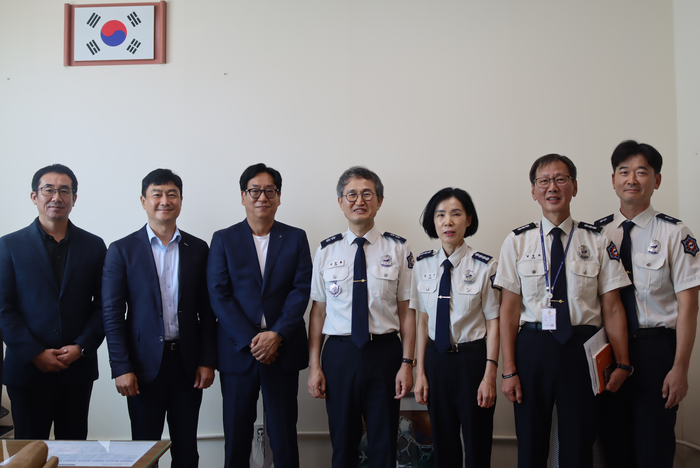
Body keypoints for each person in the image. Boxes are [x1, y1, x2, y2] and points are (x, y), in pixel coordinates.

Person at [494, 154, 632, 468]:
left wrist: (623, 362)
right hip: (533, 347)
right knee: (531, 444)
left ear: (574, 187)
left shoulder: (597, 240)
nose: (552, 187)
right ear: (534, 191)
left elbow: (612, 308)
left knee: (579, 444)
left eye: (561, 179)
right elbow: (509, 311)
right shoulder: (517, 242)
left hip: (582, 350)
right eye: (544, 181)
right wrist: (509, 370)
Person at [595, 140, 700, 468]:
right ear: (613, 180)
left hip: (656, 352)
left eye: (642, 172)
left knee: (654, 447)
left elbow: (689, 306)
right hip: (608, 352)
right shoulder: (595, 235)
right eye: (624, 171)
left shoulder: (675, 233)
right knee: (613, 446)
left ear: (657, 180)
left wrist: (680, 368)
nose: (632, 179)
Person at [102, 169, 217, 468]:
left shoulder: (198, 249)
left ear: (181, 200)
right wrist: (121, 367)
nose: (164, 201)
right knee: (144, 452)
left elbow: (207, 311)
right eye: (157, 194)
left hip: (187, 364)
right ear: (143, 201)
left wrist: (208, 360)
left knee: (187, 450)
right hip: (142, 367)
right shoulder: (121, 250)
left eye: (172, 194)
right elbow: (112, 314)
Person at [307, 166, 416, 468]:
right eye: (351, 194)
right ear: (340, 202)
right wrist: (315, 366)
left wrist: (407, 364)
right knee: (343, 443)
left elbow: (407, 312)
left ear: (379, 201)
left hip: (385, 353)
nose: (359, 201)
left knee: (384, 442)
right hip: (339, 355)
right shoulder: (326, 251)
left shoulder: (398, 248)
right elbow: (317, 313)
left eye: (368, 194)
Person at [207, 163, 312, 468]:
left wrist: (276, 335)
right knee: (236, 436)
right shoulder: (223, 239)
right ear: (243, 196)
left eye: (270, 191)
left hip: (282, 349)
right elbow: (219, 294)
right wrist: (252, 340)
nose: (262, 197)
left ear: (279, 197)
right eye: (255, 191)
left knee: (284, 435)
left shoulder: (295, 237)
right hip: (239, 352)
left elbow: (301, 290)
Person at [0, 164, 106, 440]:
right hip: (27, 370)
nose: (56, 197)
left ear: (74, 198)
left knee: (75, 450)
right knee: (28, 452)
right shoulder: (8, 246)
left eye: (64, 191)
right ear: (34, 196)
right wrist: (35, 353)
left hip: (77, 369)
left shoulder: (94, 246)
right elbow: (3, 309)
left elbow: (104, 305)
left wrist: (81, 347)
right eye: (48, 190)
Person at [410, 187, 500, 468]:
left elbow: (494, 323)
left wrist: (489, 375)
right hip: (436, 362)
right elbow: (422, 321)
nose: (447, 222)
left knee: (477, 442)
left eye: (456, 214)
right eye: (440, 215)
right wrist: (420, 373)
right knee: (443, 442)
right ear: (433, 221)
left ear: (468, 220)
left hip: (472, 361)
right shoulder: (422, 265)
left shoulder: (485, 266)